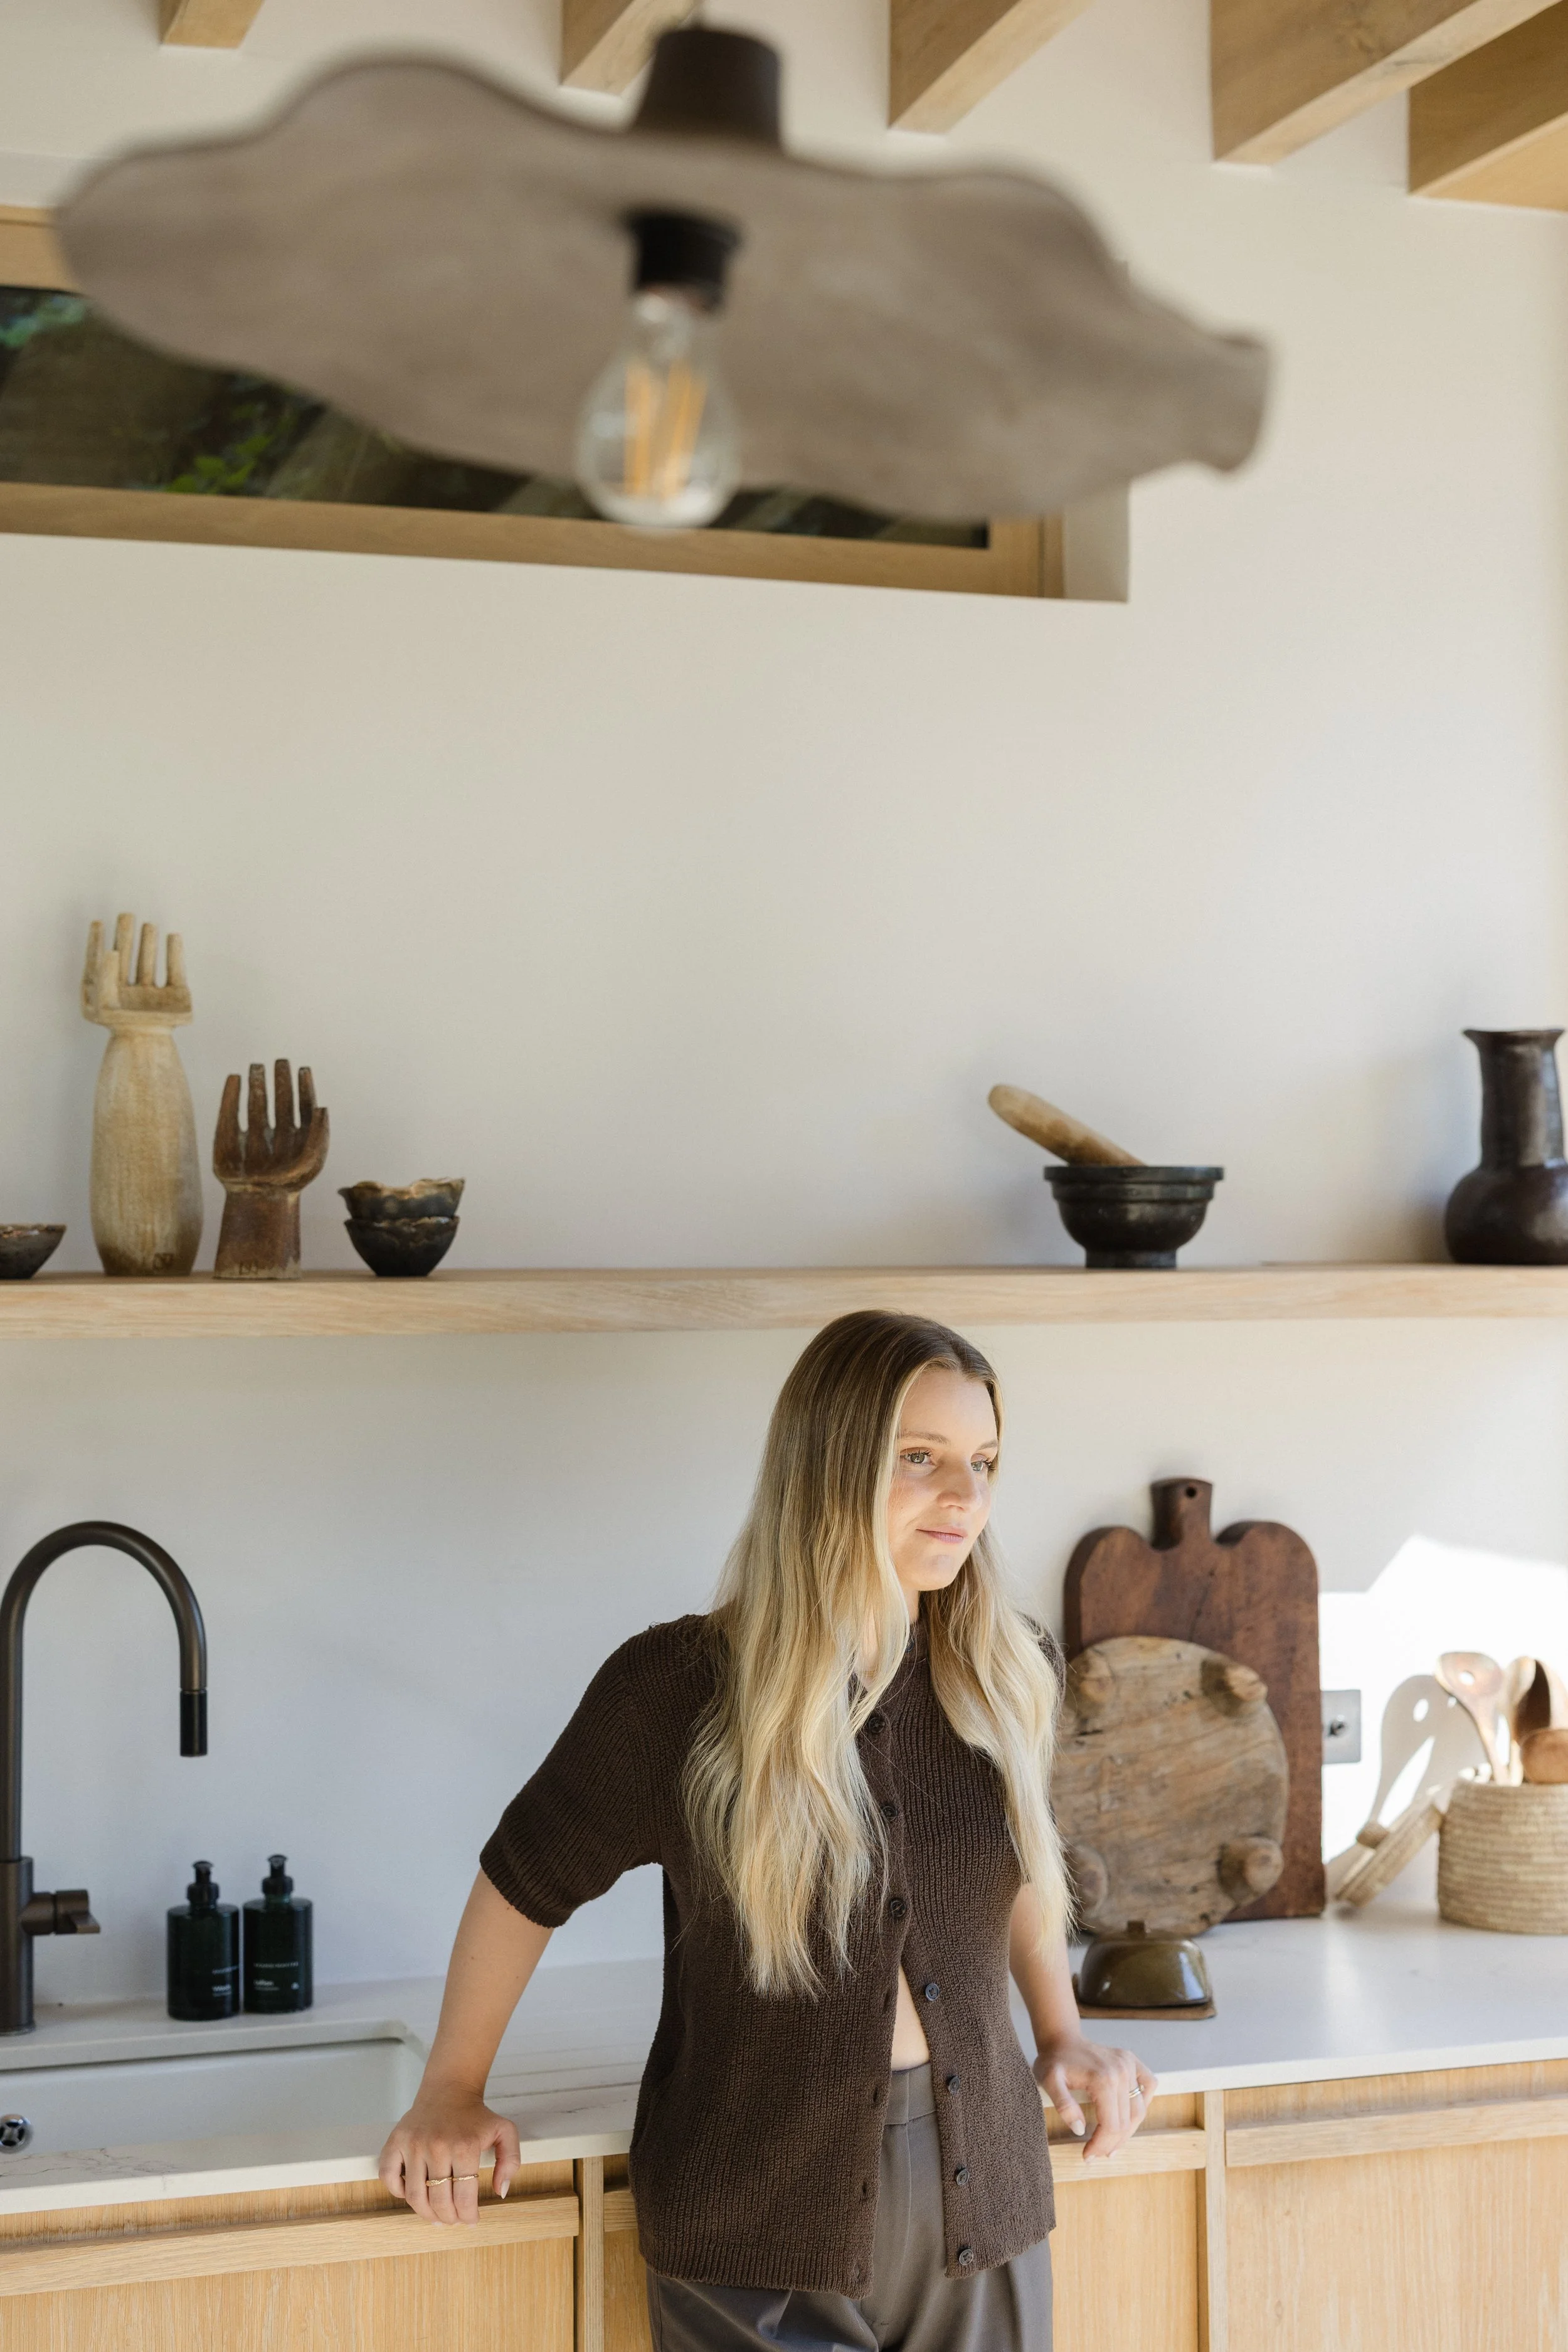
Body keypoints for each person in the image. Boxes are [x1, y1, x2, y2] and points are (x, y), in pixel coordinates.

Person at [379, 1310, 1155, 2349]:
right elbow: (526, 1880)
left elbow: (1010, 1878)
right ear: (827, 1466)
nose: (966, 1497)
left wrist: (1060, 2033)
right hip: (753, 2221)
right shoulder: (677, 1689)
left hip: (985, 2209)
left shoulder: (1007, 1669)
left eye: (983, 1460)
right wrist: (451, 2086)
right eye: (919, 1458)